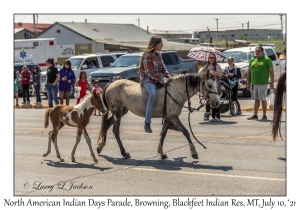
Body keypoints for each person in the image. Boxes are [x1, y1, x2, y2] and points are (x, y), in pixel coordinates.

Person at [139, 35, 170, 133]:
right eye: (161, 43)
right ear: (156, 44)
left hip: (156, 79)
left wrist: (169, 76)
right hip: (147, 80)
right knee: (152, 94)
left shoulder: (159, 55)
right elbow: (149, 73)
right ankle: (147, 123)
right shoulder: (148, 55)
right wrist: (161, 80)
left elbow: (163, 67)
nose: (162, 45)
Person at [247, 46, 274, 121]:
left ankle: (264, 115)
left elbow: (271, 72)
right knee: (256, 99)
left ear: (262, 52)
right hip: (254, 83)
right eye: (256, 51)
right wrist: (248, 83)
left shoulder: (267, 59)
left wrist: (272, 83)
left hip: (263, 83)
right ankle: (255, 115)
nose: (257, 52)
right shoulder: (252, 60)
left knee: (263, 99)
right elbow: (249, 72)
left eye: (259, 51)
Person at [199, 53, 222, 121]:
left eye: (212, 58)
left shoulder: (217, 66)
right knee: (207, 100)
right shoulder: (206, 66)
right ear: (208, 59)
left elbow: (220, 74)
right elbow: (200, 73)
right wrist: (204, 71)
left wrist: (212, 71)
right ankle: (207, 113)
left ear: (215, 59)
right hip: (208, 85)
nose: (211, 59)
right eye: (210, 58)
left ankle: (217, 115)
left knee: (215, 99)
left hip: (216, 84)